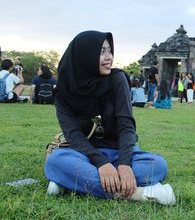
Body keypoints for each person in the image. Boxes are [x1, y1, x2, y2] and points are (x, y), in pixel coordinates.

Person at [44, 31, 176, 205]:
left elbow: (126, 125)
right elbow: (73, 135)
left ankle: (71, 183)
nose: (109, 57)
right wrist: (101, 163)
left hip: (118, 151)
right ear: (84, 56)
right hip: (84, 154)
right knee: (56, 161)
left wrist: (124, 164)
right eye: (101, 52)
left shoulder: (117, 79)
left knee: (157, 165)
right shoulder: (64, 91)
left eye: (109, 50)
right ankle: (140, 193)